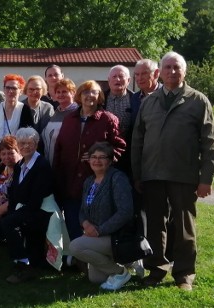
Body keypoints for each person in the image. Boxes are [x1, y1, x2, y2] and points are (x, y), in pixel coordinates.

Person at [132, 51, 214, 291]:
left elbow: (210, 142)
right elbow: (138, 140)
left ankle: (183, 274)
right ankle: (156, 269)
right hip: (152, 175)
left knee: (183, 226)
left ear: (184, 71)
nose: (172, 71)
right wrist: (138, 174)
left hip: (184, 175)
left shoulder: (198, 100)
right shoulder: (149, 101)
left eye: (176, 67)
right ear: (159, 72)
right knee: (154, 225)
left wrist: (206, 179)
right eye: (168, 67)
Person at [53, 80, 125, 243]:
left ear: (99, 96)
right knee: (72, 217)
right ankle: (76, 256)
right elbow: (59, 147)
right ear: (79, 95)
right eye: (85, 92)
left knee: (92, 220)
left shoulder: (108, 119)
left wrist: (100, 156)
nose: (89, 95)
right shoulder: (69, 119)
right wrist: (57, 174)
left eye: (94, 92)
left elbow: (119, 146)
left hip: (96, 180)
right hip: (69, 178)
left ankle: (92, 256)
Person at [70, 142, 134, 290]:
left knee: (75, 246)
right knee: (96, 278)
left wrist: (100, 230)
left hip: (115, 236)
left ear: (110, 161)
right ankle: (123, 263)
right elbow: (82, 210)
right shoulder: (89, 181)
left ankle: (120, 272)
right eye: (93, 157)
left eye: (102, 157)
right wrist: (85, 223)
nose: (97, 161)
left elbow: (125, 212)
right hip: (94, 235)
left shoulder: (118, 178)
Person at [2, 127, 55, 283]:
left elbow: (36, 199)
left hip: (42, 209)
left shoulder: (41, 166)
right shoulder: (19, 165)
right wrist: (12, 211)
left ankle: (23, 263)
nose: (25, 146)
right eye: (22, 143)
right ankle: (26, 261)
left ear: (36, 144)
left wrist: (16, 215)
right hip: (28, 207)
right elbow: (14, 192)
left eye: (29, 143)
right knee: (8, 220)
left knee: (9, 223)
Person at [0, 74, 34, 179]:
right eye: (8, 87)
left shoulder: (25, 110)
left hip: (17, 157)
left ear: (20, 90)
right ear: (4, 89)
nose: (11, 91)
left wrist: (16, 152)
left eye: (14, 88)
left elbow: (28, 135)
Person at [41, 78, 78, 166]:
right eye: (58, 92)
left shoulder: (77, 113)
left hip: (66, 164)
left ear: (73, 93)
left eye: (64, 91)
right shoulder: (56, 112)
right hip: (49, 161)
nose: (61, 94)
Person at [104, 65, 134, 138]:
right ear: (109, 80)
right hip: (104, 145)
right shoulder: (100, 99)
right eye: (114, 76)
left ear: (128, 80)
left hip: (129, 145)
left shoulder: (136, 99)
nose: (117, 79)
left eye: (121, 76)